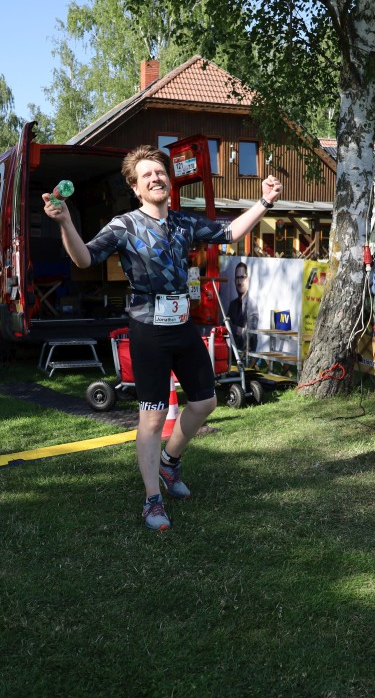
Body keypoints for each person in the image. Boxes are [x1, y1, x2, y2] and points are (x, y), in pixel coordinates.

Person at [44, 145, 282, 531]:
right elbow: (84, 259)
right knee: (152, 418)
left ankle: (170, 462)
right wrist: (66, 222)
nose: (155, 178)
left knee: (205, 402)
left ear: (168, 181)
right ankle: (152, 499)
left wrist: (264, 201)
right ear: (135, 187)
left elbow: (228, 232)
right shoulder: (124, 225)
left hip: (183, 327)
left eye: (160, 172)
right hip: (148, 332)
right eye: (147, 175)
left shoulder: (183, 223)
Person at [227, 260, 259, 354]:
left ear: (247, 279)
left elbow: (249, 335)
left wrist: (233, 328)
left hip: (247, 354)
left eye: (242, 277)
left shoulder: (252, 305)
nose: (239, 282)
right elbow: (225, 326)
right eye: (237, 278)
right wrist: (239, 330)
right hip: (233, 353)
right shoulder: (233, 305)